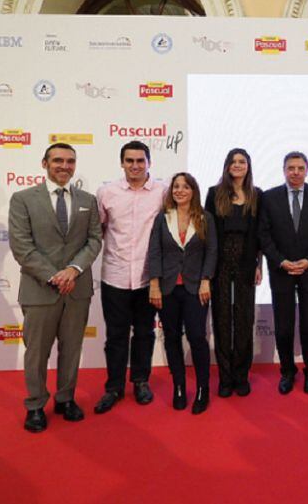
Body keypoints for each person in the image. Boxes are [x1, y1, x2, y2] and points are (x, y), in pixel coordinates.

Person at [9, 143, 102, 432]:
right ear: (45, 163)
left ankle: (65, 398)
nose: (65, 166)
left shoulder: (87, 199)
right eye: (58, 160)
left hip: (77, 289)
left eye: (70, 161)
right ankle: (35, 405)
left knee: (72, 348)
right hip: (40, 290)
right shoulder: (23, 199)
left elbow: (94, 240)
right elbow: (22, 246)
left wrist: (73, 270)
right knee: (37, 352)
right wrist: (54, 276)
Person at [94, 141, 165, 414]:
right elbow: (98, 230)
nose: (135, 165)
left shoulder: (162, 192)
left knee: (145, 333)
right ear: (121, 163)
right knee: (116, 335)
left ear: (149, 163)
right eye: (129, 160)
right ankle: (113, 387)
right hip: (115, 276)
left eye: (140, 160)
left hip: (149, 279)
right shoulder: (107, 193)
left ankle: (140, 381)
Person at [258, 152, 308, 395]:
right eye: (291, 168)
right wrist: (282, 262)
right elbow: (264, 236)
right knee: (283, 326)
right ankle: (287, 371)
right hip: (282, 272)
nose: (296, 172)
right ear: (284, 170)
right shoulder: (269, 198)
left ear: (307, 170)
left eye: (300, 168)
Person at [148, 173, 217, 415]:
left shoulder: (205, 218)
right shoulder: (162, 218)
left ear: (193, 191)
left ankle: (202, 389)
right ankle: (179, 386)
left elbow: (212, 252)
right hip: (167, 289)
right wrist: (154, 284)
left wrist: (206, 280)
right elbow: (154, 252)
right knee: (172, 337)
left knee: (198, 337)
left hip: (195, 288)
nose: (179, 191)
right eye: (176, 187)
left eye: (185, 187)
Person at [205, 148, 263, 398]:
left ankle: (241, 375)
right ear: (227, 166)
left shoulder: (257, 195)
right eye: (233, 161)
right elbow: (207, 232)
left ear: (248, 166)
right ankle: (225, 377)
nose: (238, 165)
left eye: (242, 162)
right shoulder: (214, 193)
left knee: (243, 319)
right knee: (221, 319)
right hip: (220, 261)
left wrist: (258, 264)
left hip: (246, 261)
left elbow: (259, 235)